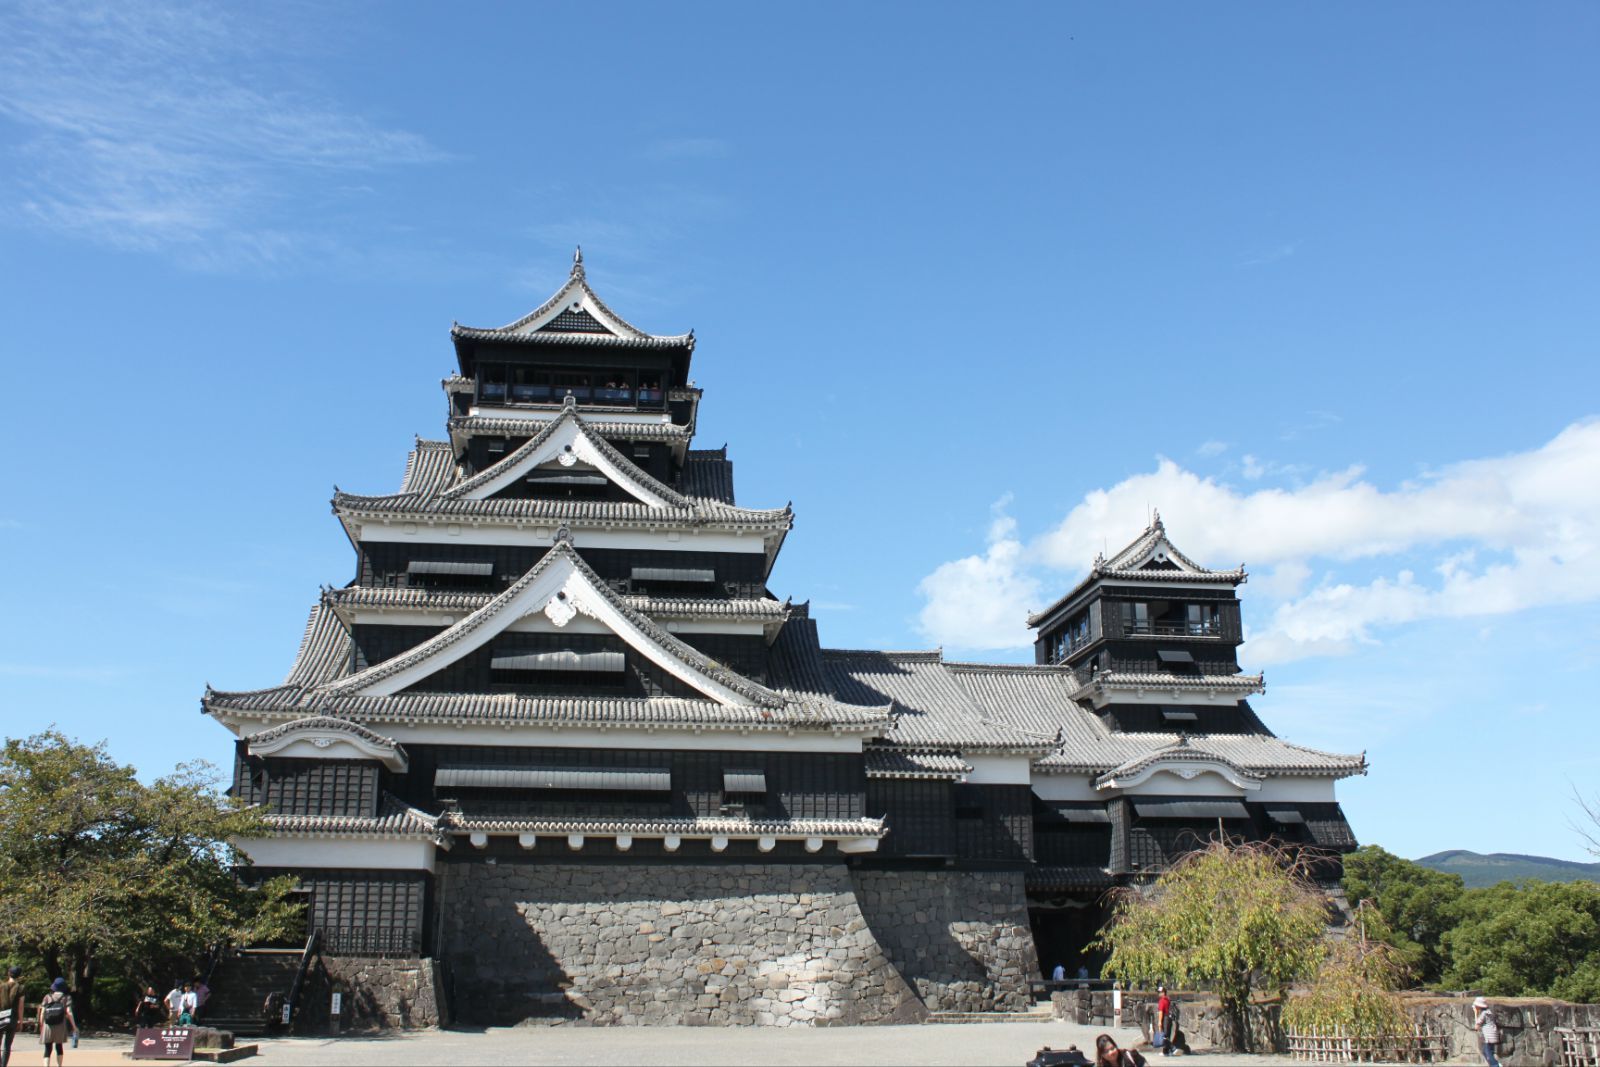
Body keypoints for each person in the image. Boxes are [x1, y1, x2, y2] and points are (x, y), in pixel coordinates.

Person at [37, 979, 74, 1067]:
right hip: (60, 1025)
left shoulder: (47, 997)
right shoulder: (66, 997)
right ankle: (59, 1065)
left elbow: (42, 1012)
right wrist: (74, 1026)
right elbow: (69, 1012)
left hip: (48, 1025)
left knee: (47, 1047)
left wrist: (41, 1025)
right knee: (59, 1046)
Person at [0, 966, 24, 1067]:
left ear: (9, 973)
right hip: (13, 1017)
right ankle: (4, 1065)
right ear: (19, 976)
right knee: (7, 1045)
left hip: (1, 1016)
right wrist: (21, 1021)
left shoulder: (2, 986)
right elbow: (21, 1006)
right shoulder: (20, 988)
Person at [1473, 996, 1501, 1067]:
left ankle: (1495, 1065)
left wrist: (1475, 1013)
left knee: (1487, 1052)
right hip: (1493, 1035)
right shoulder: (1489, 1012)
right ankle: (1495, 1064)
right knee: (1486, 1051)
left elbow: (1477, 1025)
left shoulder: (1483, 1014)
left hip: (1489, 1037)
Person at [1155, 986, 1174, 1056]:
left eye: (1160, 992)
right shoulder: (1168, 1000)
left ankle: (1172, 1048)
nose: (1158, 994)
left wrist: (1159, 1022)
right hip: (1169, 1018)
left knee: (1164, 1035)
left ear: (1163, 993)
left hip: (1164, 1018)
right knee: (1167, 1034)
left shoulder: (1161, 1001)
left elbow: (1161, 1012)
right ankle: (1166, 1051)